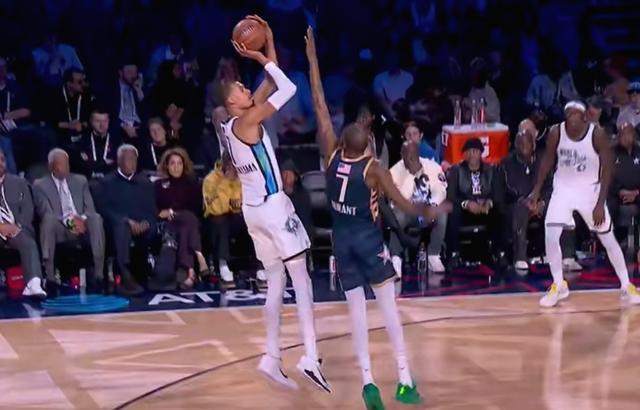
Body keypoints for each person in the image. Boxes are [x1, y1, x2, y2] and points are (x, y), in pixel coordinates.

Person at [306, 27, 449, 408]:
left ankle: (368, 383)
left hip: (341, 242)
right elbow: (406, 204)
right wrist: (435, 209)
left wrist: (312, 58)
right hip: (369, 242)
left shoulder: (330, 155)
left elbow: (319, 102)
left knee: (356, 314)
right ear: (366, 146)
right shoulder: (373, 170)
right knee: (389, 311)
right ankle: (403, 381)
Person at [221, 17, 330, 392]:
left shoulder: (232, 124)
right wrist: (255, 55)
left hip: (254, 212)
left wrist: (267, 43)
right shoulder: (248, 120)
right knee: (301, 278)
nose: (245, 87)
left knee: (275, 281)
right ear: (233, 103)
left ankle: (271, 356)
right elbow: (288, 87)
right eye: (240, 88)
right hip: (272, 207)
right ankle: (311, 356)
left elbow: (272, 76)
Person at [528, 101, 640, 307]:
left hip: (590, 191)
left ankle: (626, 285)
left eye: (576, 114)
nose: (572, 117)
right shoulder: (556, 132)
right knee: (550, 234)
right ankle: (558, 285)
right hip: (563, 190)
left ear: (584, 116)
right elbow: (547, 161)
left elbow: (608, 169)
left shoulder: (597, 135)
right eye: (568, 114)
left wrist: (600, 203)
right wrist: (536, 191)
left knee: (608, 239)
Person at [34, 149, 105, 289]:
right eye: (61, 164)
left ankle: (99, 275)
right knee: (48, 221)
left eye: (67, 164)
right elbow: (46, 212)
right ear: (51, 167)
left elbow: (90, 209)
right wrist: (70, 223)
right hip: (60, 228)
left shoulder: (81, 180)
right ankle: (50, 276)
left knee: (96, 218)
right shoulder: (40, 185)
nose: (66, 168)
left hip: (82, 227)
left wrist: (82, 220)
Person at [100, 144, 157, 296]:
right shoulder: (107, 182)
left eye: (133, 159)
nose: (130, 163)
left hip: (143, 226)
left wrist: (146, 223)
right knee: (121, 227)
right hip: (118, 226)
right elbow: (104, 210)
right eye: (125, 159)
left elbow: (152, 210)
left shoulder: (145, 183)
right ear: (118, 161)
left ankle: (159, 276)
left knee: (155, 228)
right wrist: (127, 221)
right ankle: (124, 273)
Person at [388, 140, 447, 274]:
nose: (410, 158)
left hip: (428, 209)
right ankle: (396, 257)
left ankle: (433, 255)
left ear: (418, 154)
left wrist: (432, 205)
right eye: (407, 155)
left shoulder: (432, 167)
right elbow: (396, 198)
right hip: (407, 211)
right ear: (401, 155)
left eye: (413, 155)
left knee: (442, 211)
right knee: (397, 215)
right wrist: (411, 174)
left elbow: (441, 189)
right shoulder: (394, 172)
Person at [445, 138, 505, 267]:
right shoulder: (456, 170)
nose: (472, 154)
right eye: (469, 151)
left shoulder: (492, 170)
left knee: (499, 210)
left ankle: (499, 252)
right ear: (464, 155)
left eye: (475, 151)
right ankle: (454, 253)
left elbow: (498, 194)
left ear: (481, 153)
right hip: (465, 211)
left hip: (485, 210)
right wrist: (466, 204)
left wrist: (489, 202)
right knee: (453, 211)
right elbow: (451, 196)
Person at [154, 147, 207, 289]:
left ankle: (189, 271)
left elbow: (197, 209)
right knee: (187, 221)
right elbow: (152, 208)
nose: (176, 167)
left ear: (184, 165)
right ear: (167, 165)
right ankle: (198, 257)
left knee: (186, 224)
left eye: (179, 163)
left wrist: (178, 214)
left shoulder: (193, 184)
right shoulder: (158, 185)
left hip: (189, 224)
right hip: (168, 224)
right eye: (172, 163)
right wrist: (160, 213)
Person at [0, 147, 46, 298]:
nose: (0, 164)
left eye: (2, 160)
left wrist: (17, 227)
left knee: (28, 243)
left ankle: (33, 284)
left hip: (16, 229)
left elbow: (27, 209)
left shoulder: (19, 183)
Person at [501, 130, 550, 270]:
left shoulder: (543, 161)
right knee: (520, 210)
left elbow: (550, 184)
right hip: (517, 204)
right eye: (520, 143)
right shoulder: (507, 163)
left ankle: (562, 255)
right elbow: (508, 188)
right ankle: (520, 257)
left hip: (539, 202)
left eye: (527, 143)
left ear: (533, 145)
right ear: (515, 145)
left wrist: (542, 202)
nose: (524, 146)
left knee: (558, 207)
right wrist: (525, 201)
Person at [202, 152, 245, 285]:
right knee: (220, 220)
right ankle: (223, 264)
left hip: (236, 217)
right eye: (233, 164)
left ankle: (261, 266)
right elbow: (216, 209)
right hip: (214, 221)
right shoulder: (211, 180)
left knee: (256, 220)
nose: (235, 168)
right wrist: (226, 181)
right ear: (225, 165)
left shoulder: (244, 178)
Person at [609, 124, 640, 238]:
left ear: (634, 135)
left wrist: (636, 192)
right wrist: (619, 191)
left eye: (628, 134)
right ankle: (609, 240)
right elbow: (605, 176)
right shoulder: (611, 152)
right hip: (616, 194)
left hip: (637, 192)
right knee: (607, 203)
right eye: (622, 134)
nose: (625, 137)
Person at [78, 109, 118, 180]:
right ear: (91, 122)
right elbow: (82, 165)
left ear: (109, 121)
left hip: (111, 180)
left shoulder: (116, 141)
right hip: (89, 179)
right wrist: (105, 162)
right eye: (97, 121)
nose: (102, 125)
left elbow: (117, 164)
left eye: (105, 121)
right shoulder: (83, 141)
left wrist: (93, 163)